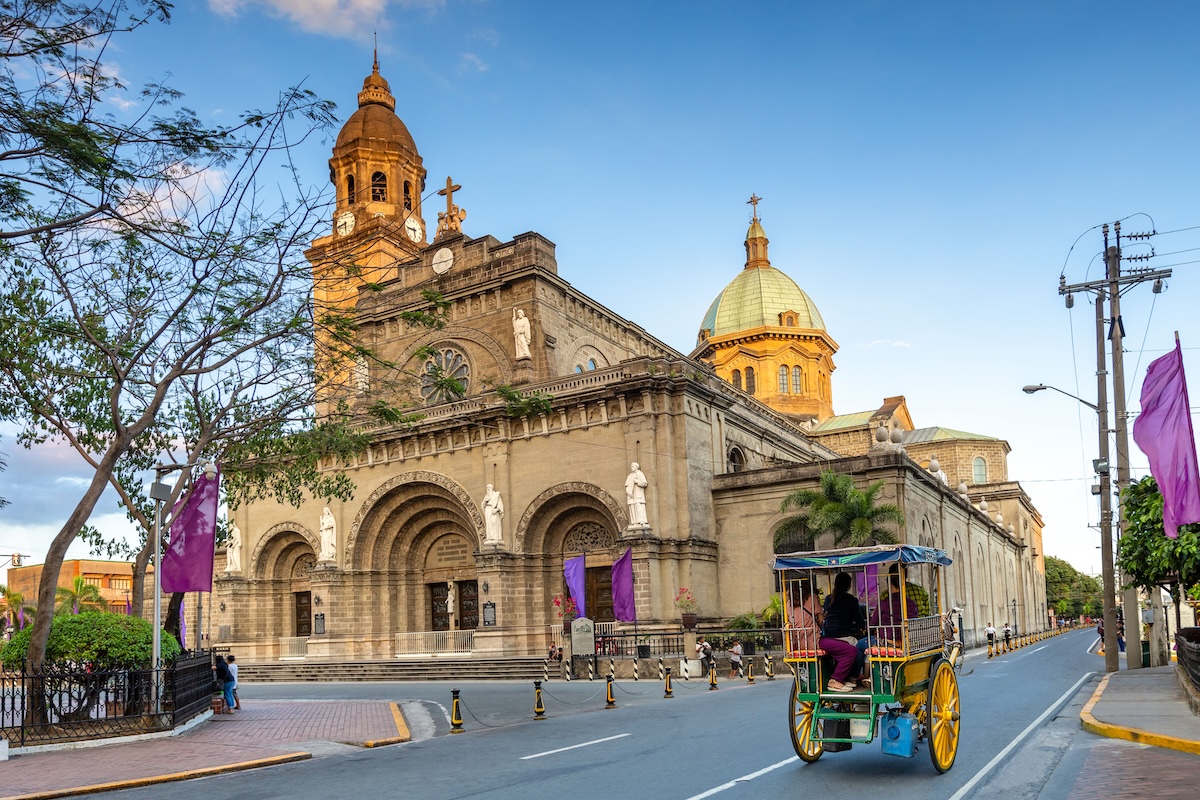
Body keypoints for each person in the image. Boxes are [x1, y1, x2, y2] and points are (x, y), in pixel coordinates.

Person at [791, 579, 858, 692]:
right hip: (813, 641)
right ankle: (836, 679)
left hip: (797, 643)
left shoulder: (789, 603)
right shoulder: (812, 598)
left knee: (841, 644)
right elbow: (821, 621)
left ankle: (840, 678)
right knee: (851, 650)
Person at [823, 571, 867, 677]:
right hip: (845, 636)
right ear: (848, 585)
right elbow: (859, 621)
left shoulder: (828, 599)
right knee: (859, 647)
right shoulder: (851, 600)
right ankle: (854, 676)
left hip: (829, 636)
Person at [625, 462, 648, 526]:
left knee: (638, 505)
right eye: (631, 466)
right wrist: (628, 492)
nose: (631, 467)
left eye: (632, 466)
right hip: (631, 495)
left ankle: (641, 520)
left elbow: (644, 484)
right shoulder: (630, 476)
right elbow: (626, 485)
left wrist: (637, 482)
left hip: (638, 493)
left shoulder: (640, 474)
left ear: (636, 467)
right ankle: (634, 522)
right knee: (632, 506)